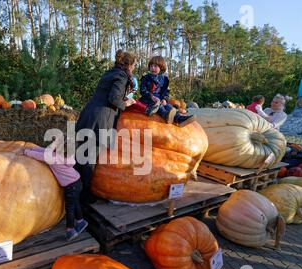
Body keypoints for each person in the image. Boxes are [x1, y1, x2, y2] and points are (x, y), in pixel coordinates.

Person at [75, 49, 137, 204]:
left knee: (80, 153)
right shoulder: (122, 76)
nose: (134, 68)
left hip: (89, 113)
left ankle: (72, 188)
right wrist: (127, 103)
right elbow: (114, 99)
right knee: (90, 156)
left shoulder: (109, 73)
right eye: (134, 65)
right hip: (101, 119)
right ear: (129, 65)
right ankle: (84, 196)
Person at [21, 139, 89, 241]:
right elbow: (46, 151)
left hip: (70, 186)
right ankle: (81, 221)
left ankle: (70, 229)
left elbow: (43, 154)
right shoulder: (67, 157)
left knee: (69, 208)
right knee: (75, 203)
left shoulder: (53, 157)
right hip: (77, 181)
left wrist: (27, 152)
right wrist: (35, 148)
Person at [138, 56, 195, 126]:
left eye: (155, 66)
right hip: (148, 99)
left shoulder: (164, 79)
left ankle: (180, 119)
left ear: (161, 68)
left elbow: (166, 92)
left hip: (159, 99)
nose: (152, 68)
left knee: (168, 106)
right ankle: (165, 115)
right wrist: (151, 96)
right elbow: (142, 90)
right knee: (159, 106)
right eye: (151, 66)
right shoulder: (146, 78)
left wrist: (164, 99)